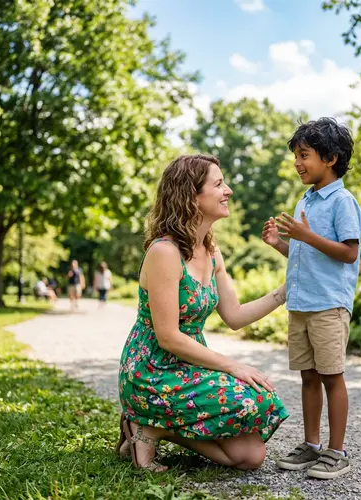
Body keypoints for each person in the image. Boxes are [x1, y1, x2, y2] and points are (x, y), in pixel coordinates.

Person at [117, 154, 289, 471]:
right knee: (249, 397)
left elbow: (234, 316)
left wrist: (284, 292)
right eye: (219, 184)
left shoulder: (211, 251)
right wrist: (233, 366)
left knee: (250, 456)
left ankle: (155, 427)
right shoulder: (164, 252)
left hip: (188, 366)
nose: (229, 191)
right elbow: (168, 337)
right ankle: (144, 419)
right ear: (191, 196)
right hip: (153, 369)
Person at [263, 118, 361, 479]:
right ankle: (312, 445)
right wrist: (280, 245)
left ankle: (337, 452)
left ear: (331, 158)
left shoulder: (342, 201)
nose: (297, 162)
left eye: (304, 154)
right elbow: (306, 254)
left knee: (331, 376)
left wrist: (305, 234)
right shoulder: (305, 199)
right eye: (296, 155)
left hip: (328, 305)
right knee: (308, 375)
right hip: (301, 304)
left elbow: (349, 253)